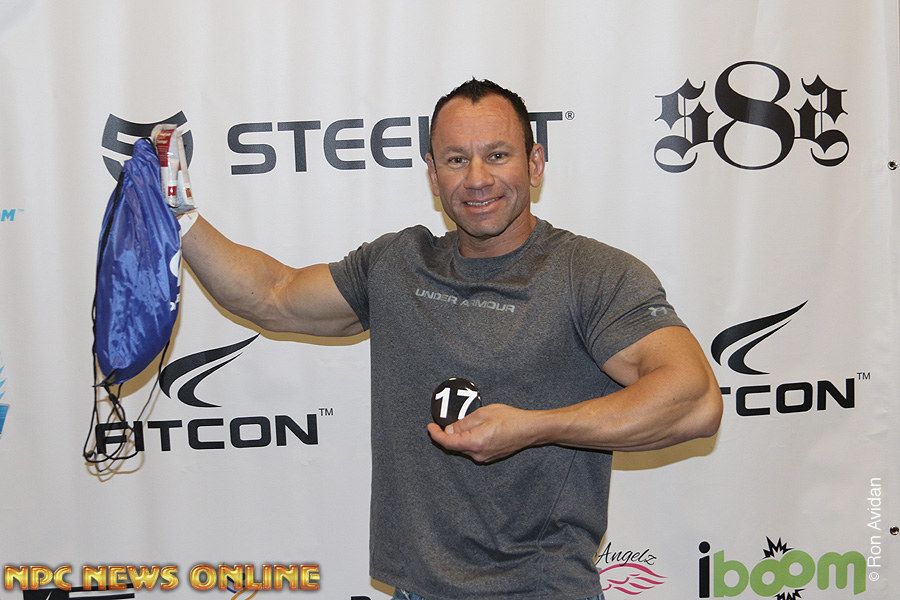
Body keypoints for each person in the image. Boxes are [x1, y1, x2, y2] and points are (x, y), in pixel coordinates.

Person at [173, 79, 723, 600]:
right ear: (433, 176)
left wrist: (535, 427)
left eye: (497, 155)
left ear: (534, 163)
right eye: (457, 160)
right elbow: (271, 294)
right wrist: (178, 214)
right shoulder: (397, 264)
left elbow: (694, 400)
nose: (477, 178)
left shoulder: (590, 274)